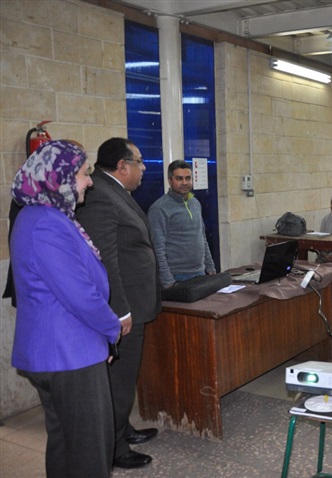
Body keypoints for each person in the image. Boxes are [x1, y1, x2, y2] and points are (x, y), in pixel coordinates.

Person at [10, 140, 122, 477]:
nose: (89, 182)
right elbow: (80, 294)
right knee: (89, 449)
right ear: (59, 178)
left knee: (65, 443)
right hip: (69, 354)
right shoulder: (46, 222)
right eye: (84, 174)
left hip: (59, 352)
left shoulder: (43, 215)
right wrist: (112, 329)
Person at [75, 138, 162, 470]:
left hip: (135, 302)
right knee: (120, 381)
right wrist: (120, 310)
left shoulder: (115, 191)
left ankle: (122, 429)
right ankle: (113, 448)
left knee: (125, 378)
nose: (143, 168)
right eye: (139, 161)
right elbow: (106, 261)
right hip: (125, 308)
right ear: (122, 166)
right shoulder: (99, 195)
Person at [148, 160, 216, 288]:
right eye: (179, 178)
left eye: (188, 178)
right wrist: (167, 281)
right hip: (176, 276)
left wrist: (210, 267)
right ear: (170, 180)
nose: (184, 183)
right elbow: (157, 248)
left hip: (200, 272)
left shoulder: (195, 203)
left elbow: (202, 238)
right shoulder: (159, 208)